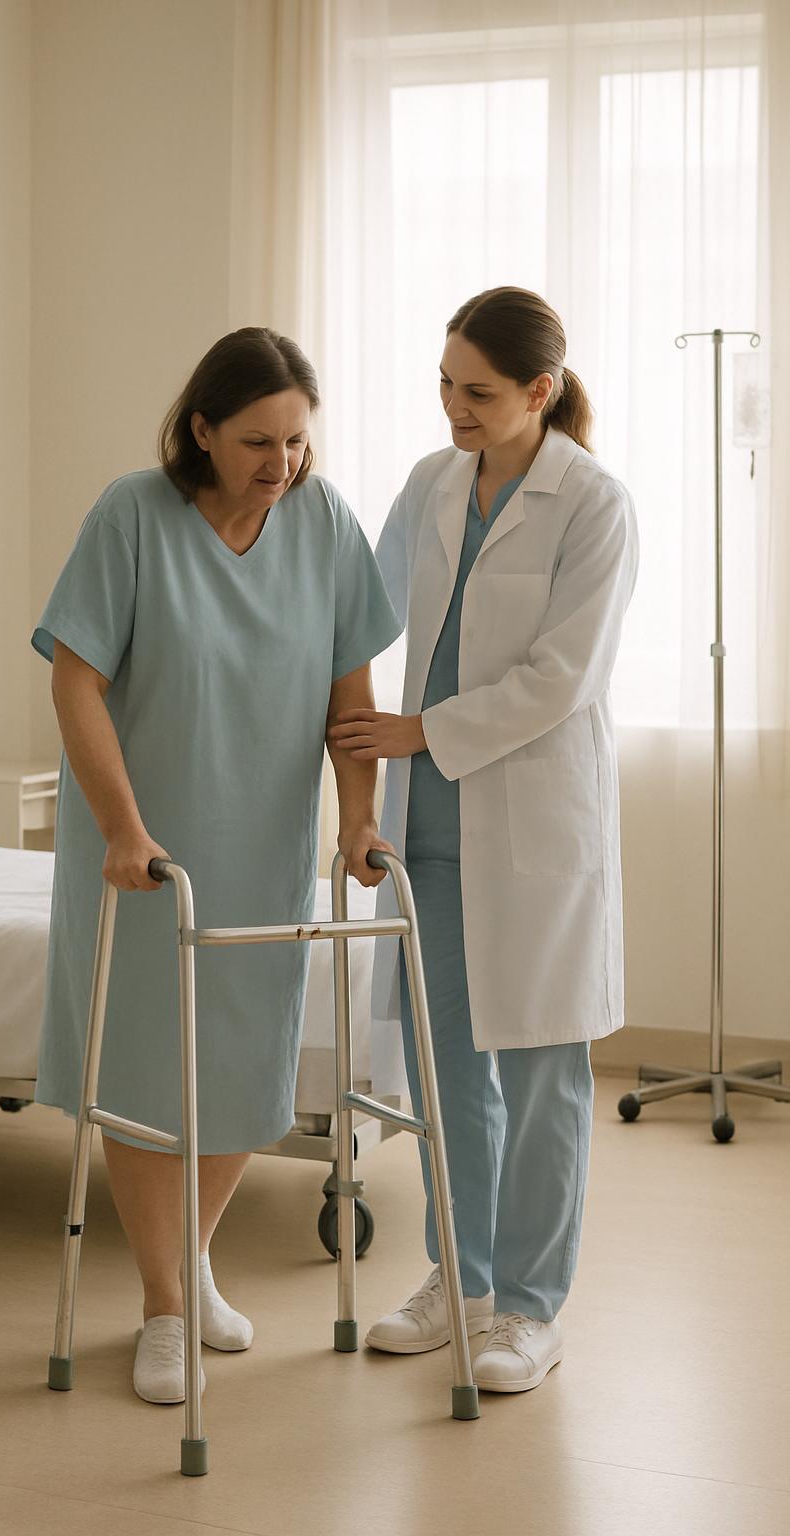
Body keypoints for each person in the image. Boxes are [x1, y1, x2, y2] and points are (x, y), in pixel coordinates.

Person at [32, 327, 400, 1405]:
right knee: (152, 1074)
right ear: (201, 429)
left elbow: (352, 702)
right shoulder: (131, 516)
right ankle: (159, 1308)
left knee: (243, 1073)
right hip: (143, 852)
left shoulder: (323, 522)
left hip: (261, 844)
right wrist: (120, 830)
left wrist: (358, 821)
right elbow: (74, 682)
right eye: (254, 442)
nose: (279, 464)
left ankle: (186, 1263)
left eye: (294, 441)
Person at [330, 287, 638, 1393]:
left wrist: (421, 730)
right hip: (431, 833)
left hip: (533, 825)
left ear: (537, 392)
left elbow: (565, 676)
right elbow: (356, 610)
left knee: (545, 1068)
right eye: (445, 386)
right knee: (444, 1065)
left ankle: (529, 1308)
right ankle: (455, 1277)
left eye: (478, 391)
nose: (455, 408)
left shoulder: (592, 502)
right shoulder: (429, 482)